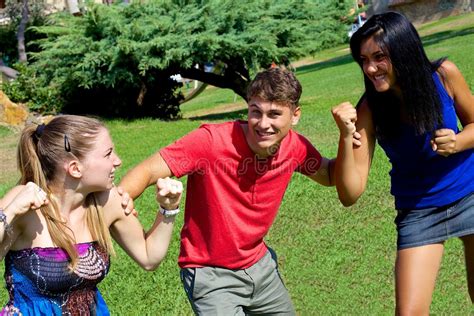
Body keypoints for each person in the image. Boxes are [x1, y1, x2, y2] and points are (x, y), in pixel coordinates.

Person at [120, 67, 359, 315]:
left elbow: (330, 175)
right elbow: (148, 170)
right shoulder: (210, 142)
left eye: (274, 114)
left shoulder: (295, 148)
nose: (263, 124)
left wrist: (346, 136)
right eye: (256, 111)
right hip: (210, 275)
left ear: (295, 115)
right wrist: (121, 202)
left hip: (261, 268)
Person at [332, 12, 474, 314]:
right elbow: (350, 193)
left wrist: (458, 142)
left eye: (379, 57)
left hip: (471, 194)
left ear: (403, 50)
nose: (370, 68)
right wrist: (345, 137)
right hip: (419, 211)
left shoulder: (444, 76)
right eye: (364, 60)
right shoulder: (370, 109)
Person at [0, 115, 183, 315]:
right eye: (108, 154)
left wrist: (168, 209)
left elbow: (149, 257)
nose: (118, 161)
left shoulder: (107, 201)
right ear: (75, 168)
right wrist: (10, 212)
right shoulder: (25, 203)